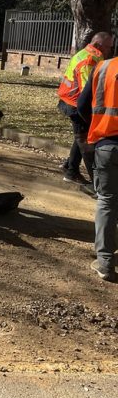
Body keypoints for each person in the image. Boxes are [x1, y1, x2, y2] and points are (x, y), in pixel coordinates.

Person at [77, 53, 118, 281]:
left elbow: (82, 105)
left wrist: (96, 123)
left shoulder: (103, 68)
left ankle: (105, 262)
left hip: (107, 144)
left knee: (107, 200)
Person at [57, 31, 114, 184]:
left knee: (80, 136)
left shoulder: (83, 53)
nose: (110, 50)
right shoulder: (90, 60)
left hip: (68, 99)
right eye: (108, 47)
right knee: (86, 141)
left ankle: (70, 167)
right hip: (76, 104)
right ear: (98, 45)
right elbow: (87, 91)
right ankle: (94, 182)